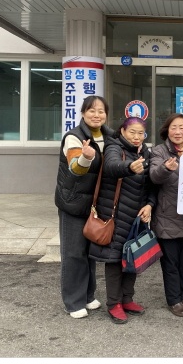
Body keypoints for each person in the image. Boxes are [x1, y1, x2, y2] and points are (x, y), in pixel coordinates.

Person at [88, 117, 157, 324]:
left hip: (136, 216)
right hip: (115, 214)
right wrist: (129, 167)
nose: (136, 137)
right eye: (132, 132)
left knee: (132, 257)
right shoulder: (114, 146)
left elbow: (151, 184)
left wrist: (149, 204)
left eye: (140, 133)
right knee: (115, 260)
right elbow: (111, 166)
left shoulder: (145, 152)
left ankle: (127, 299)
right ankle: (114, 303)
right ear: (123, 131)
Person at [54, 96, 114, 319]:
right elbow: (75, 168)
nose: (96, 115)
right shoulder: (74, 137)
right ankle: (73, 301)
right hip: (73, 202)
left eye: (101, 111)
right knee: (74, 253)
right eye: (91, 111)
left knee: (90, 252)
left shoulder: (110, 136)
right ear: (82, 113)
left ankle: (88, 296)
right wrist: (86, 158)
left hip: (95, 204)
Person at [149, 113, 183, 317]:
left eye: (182, 127)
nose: (178, 131)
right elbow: (154, 177)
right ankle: (174, 300)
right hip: (167, 216)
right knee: (171, 263)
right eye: (173, 127)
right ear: (167, 130)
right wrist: (165, 168)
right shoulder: (159, 151)